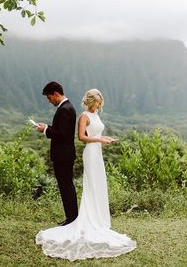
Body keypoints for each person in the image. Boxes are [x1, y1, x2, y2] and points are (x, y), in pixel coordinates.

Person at [36, 88, 136, 261]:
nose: (99, 104)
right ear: (91, 102)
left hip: (98, 152)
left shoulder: (96, 115)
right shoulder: (83, 116)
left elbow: (97, 133)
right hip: (90, 152)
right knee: (91, 184)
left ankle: (99, 218)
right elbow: (81, 137)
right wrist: (100, 140)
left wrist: (106, 139)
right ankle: (86, 217)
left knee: (99, 184)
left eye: (100, 102)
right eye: (97, 102)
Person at [37, 81, 78, 226]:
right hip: (64, 155)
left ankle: (72, 219)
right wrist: (47, 127)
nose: (49, 101)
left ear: (56, 94)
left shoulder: (65, 109)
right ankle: (72, 217)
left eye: (49, 98)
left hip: (63, 155)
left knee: (66, 186)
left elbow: (62, 134)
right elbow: (62, 130)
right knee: (66, 185)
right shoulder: (67, 107)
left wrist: (45, 130)